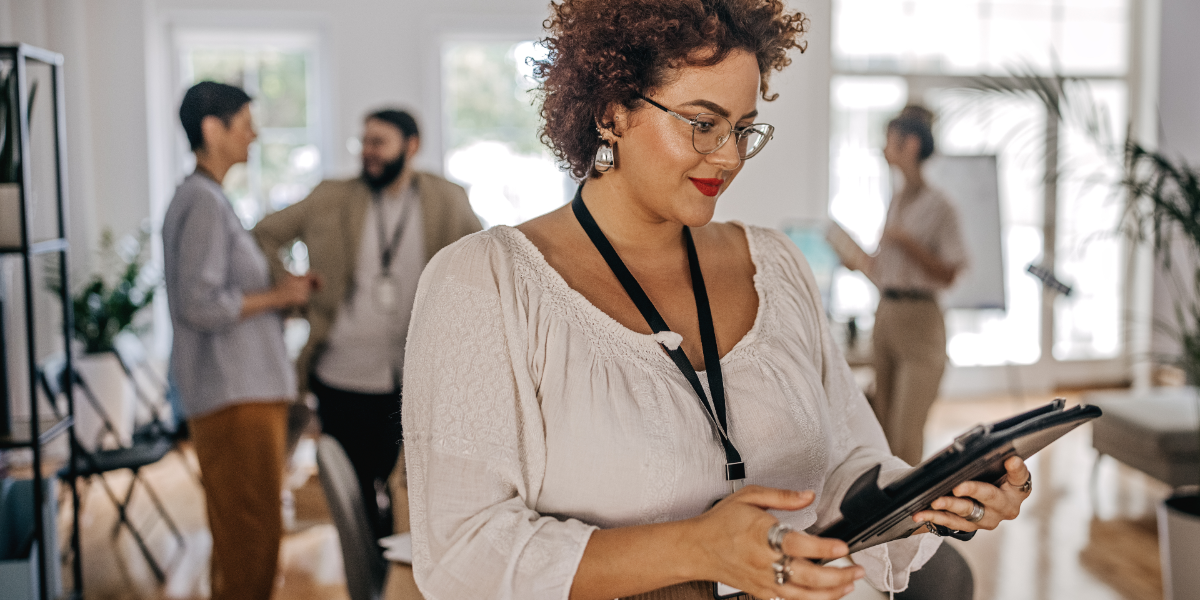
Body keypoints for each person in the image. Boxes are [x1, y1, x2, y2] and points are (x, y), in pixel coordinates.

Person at [402, 1, 1028, 599]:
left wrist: (925, 497)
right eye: (702, 124)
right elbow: (462, 555)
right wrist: (697, 550)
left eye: (744, 129)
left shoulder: (774, 266)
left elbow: (847, 463)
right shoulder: (484, 283)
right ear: (612, 110)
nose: (728, 157)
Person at [252, 108, 481, 540]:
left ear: (411, 146)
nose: (369, 152)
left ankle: (402, 576)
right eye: (365, 142)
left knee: (414, 492)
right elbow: (263, 233)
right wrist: (287, 285)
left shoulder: (446, 199)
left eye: (380, 142)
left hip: (419, 376)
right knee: (353, 496)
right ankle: (367, 573)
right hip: (342, 376)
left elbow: (485, 258)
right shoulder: (330, 197)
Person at [163, 81, 315, 600]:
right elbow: (199, 303)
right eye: (246, 122)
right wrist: (276, 297)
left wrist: (283, 296)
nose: (255, 133)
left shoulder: (209, 198)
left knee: (244, 537)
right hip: (234, 396)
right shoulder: (202, 202)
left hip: (243, 392)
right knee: (251, 536)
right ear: (213, 128)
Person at [857, 106, 968, 466]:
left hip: (920, 320)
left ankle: (908, 518)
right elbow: (885, 269)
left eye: (890, 140)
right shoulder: (898, 200)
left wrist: (907, 243)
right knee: (882, 427)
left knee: (906, 435)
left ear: (911, 144)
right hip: (886, 312)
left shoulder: (941, 206)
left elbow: (950, 272)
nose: (884, 148)